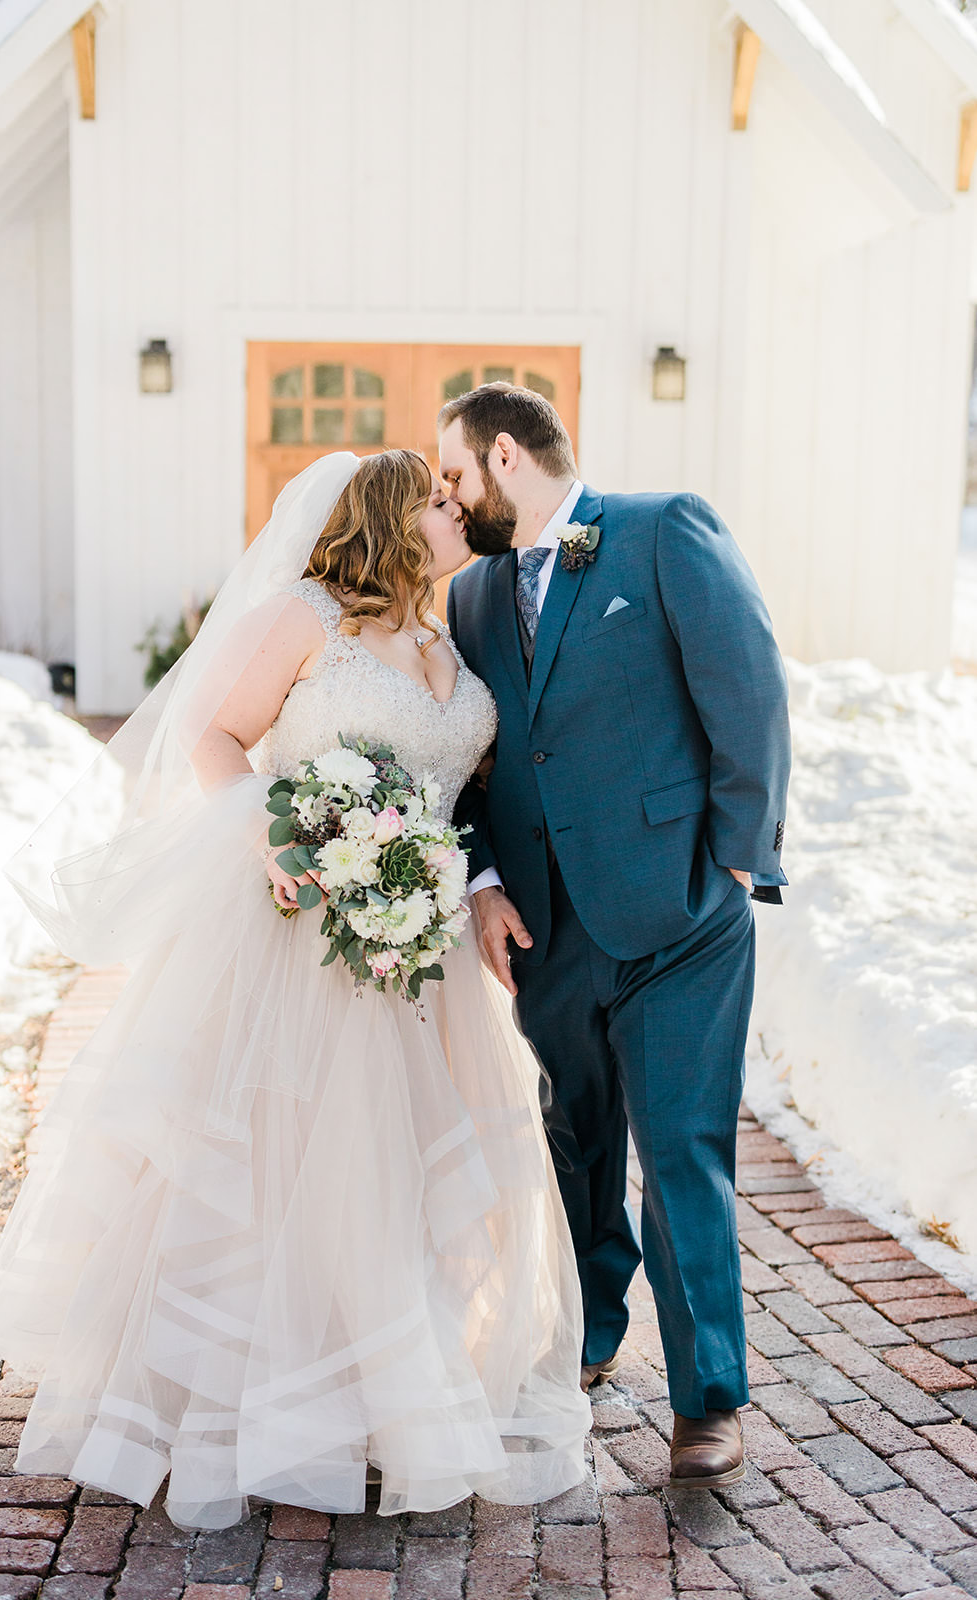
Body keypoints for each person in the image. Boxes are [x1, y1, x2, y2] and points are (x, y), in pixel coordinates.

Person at [0, 449, 591, 1531]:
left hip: (422, 957)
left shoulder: (445, 635)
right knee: (295, 1166)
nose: (456, 511)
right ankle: (266, 1409)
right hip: (302, 938)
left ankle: (382, 1406)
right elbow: (212, 735)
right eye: (437, 501)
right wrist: (286, 840)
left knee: (398, 1176)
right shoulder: (305, 619)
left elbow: (465, 789)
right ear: (391, 520)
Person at [441, 384, 791, 1490]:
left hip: (678, 915)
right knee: (575, 1140)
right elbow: (462, 757)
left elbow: (746, 685)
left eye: (452, 474)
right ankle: (591, 1331)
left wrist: (738, 856)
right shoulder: (471, 600)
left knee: (678, 1153)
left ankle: (707, 1398)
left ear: (504, 455)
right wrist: (485, 880)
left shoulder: (657, 530)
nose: (445, 498)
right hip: (545, 926)